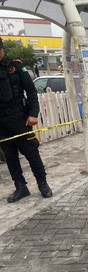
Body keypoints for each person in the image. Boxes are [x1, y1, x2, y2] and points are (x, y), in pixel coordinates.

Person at [0, 38, 52, 203]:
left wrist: (33, 113)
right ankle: (21, 187)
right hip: (1, 122)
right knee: (10, 155)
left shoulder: (15, 67)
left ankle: (43, 184)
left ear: (2, 50)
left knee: (31, 153)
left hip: (20, 119)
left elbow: (30, 91)